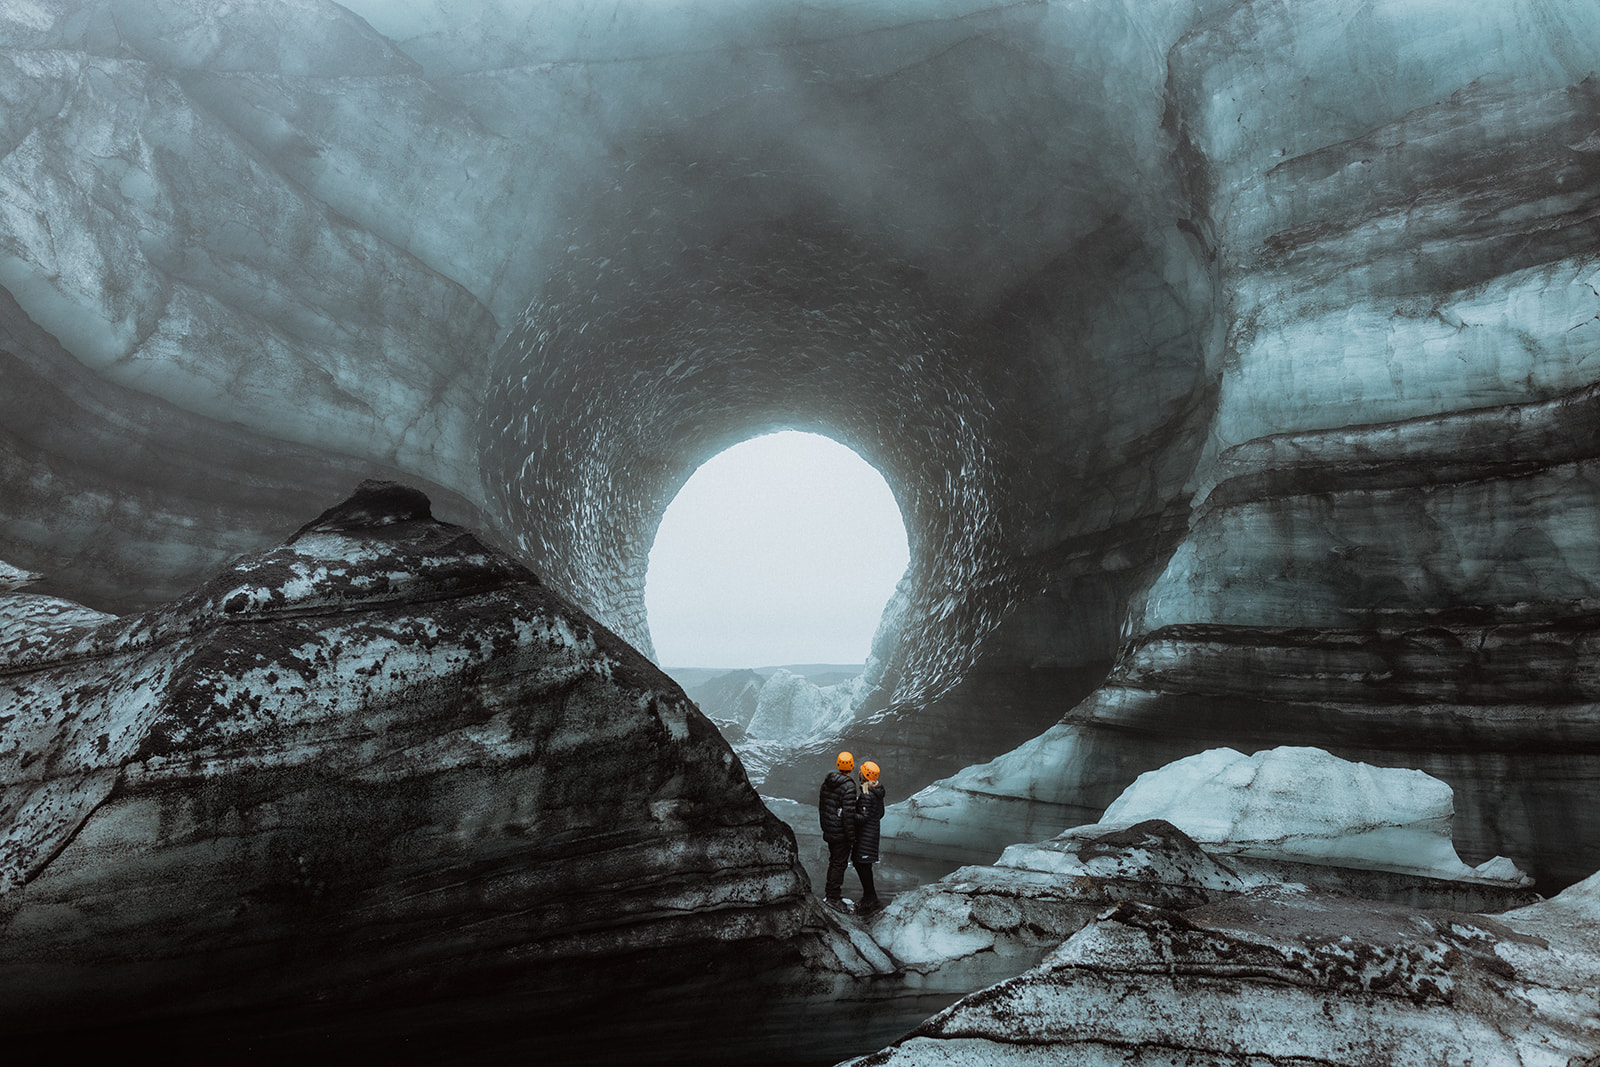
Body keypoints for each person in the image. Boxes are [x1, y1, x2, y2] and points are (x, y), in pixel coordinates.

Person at [818, 751, 857, 911]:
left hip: (830, 830)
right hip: (841, 833)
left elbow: (823, 807)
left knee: (834, 862)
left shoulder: (827, 783)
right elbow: (848, 815)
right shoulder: (849, 786)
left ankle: (831, 894)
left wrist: (827, 827)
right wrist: (852, 837)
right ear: (852, 766)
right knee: (839, 864)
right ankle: (833, 897)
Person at [851, 761, 886, 914]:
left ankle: (871, 899)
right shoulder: (877, 792)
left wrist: (848, 813)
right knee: (863, 865)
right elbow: (880, 813)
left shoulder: (867, 795)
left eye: (861, 771)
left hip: (865, 836)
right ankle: (868, 898)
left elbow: (863, 818)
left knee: (862, 865)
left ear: (864, 775)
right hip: (871, 834)